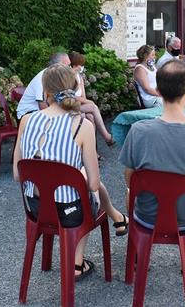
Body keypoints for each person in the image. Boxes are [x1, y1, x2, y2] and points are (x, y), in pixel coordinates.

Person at [13, 64, 127, 280]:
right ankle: (77, 262)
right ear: (75, 89)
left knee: (78, 182)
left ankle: (117, 220)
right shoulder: (81, 125)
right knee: (86, 188)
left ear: (45, 91)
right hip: (70, 213)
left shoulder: (26, 121)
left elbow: (18, 174)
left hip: (35, 209)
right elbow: (93, 184)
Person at [119, 60, 185, 269]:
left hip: (146, 216)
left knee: (130, 189)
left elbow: (130, 179)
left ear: (158, 91)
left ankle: (139, 247)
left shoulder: (138, 131)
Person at [69, 51, 115, 146]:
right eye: (80, 65)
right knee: (93, 107)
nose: (82, 67)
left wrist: (86, 102)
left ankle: (92, 149)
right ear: (74, 65)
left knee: (91, 117)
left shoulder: (79, 77)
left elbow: (83, 97)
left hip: (80, 105)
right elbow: (72, 96)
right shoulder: (68, 77)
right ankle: (107, 136)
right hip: (70, 105)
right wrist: (89, 102)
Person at [16, 52, 70, 120]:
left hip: (39, 112)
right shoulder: (43, 77)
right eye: (67, 66)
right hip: (27, 114)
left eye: (69, 65)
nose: (69, 69)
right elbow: (42, 104)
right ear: (57, 65)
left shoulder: (56, 77)